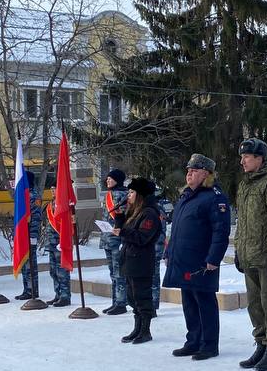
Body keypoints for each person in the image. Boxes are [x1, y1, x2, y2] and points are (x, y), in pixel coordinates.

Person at [164, 154, 231, 360]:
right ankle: (193, 340)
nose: (189, 174)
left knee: (204, 301)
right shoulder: (187, 195)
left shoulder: (214, 197)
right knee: (189, 302)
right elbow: (176, 229)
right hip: (185, 258)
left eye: (194, 170)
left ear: (206, 174)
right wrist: (169, 252)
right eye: (188, 170)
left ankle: (209, 345)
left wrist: (214, 258)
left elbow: (221, 231)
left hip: (202, 261)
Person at [234, 138, 267, 371]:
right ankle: (260, 343)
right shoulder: (245, 185)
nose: (243, 161)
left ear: (259, 158)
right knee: (254, 305)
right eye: (242, 157)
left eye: (247, 157)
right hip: (249, 256)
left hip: (266, 257)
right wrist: (238, 250)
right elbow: (242, 222)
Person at [117, 176, 164, 344]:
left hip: (141, 261)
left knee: (141, 296)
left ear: (140, 194)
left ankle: (145, 330)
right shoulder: (136, 212)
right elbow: (128, 231)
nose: (128, 195)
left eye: (131, 192)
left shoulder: (149, 213)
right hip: (130, 260)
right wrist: (120, 220)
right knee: (132, 296)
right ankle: (137, 328)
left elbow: (142, 237)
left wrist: (122, 232)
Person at [99, 168, 130, 316]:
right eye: (107, 178)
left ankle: (121, 302)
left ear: (118, 180)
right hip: (108, 239)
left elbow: (123, 217)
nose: (108, 180)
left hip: (117, 240)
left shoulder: (124, 195)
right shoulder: (109, 195)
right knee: (112, 273)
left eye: (111, 178)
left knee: (119, 273)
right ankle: (114, 302)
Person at [14, 182, 43, 302]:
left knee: (30, 264)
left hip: (30, 234)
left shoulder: (34, 196)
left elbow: (36, 217)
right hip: (23, 235)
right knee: (24, 264)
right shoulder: (23, 195)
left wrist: (33, 235)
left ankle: (33, 290)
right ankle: (27, 289)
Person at [41, 197, 72, 307]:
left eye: (55, 188)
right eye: (52, 189)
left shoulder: (64, 201)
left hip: (60, 242)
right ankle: (58, 294)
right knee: (53, 271)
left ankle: (65, 296)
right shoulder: (49, 204)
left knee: (62, 271)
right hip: (51, 243)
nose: (53, 191)